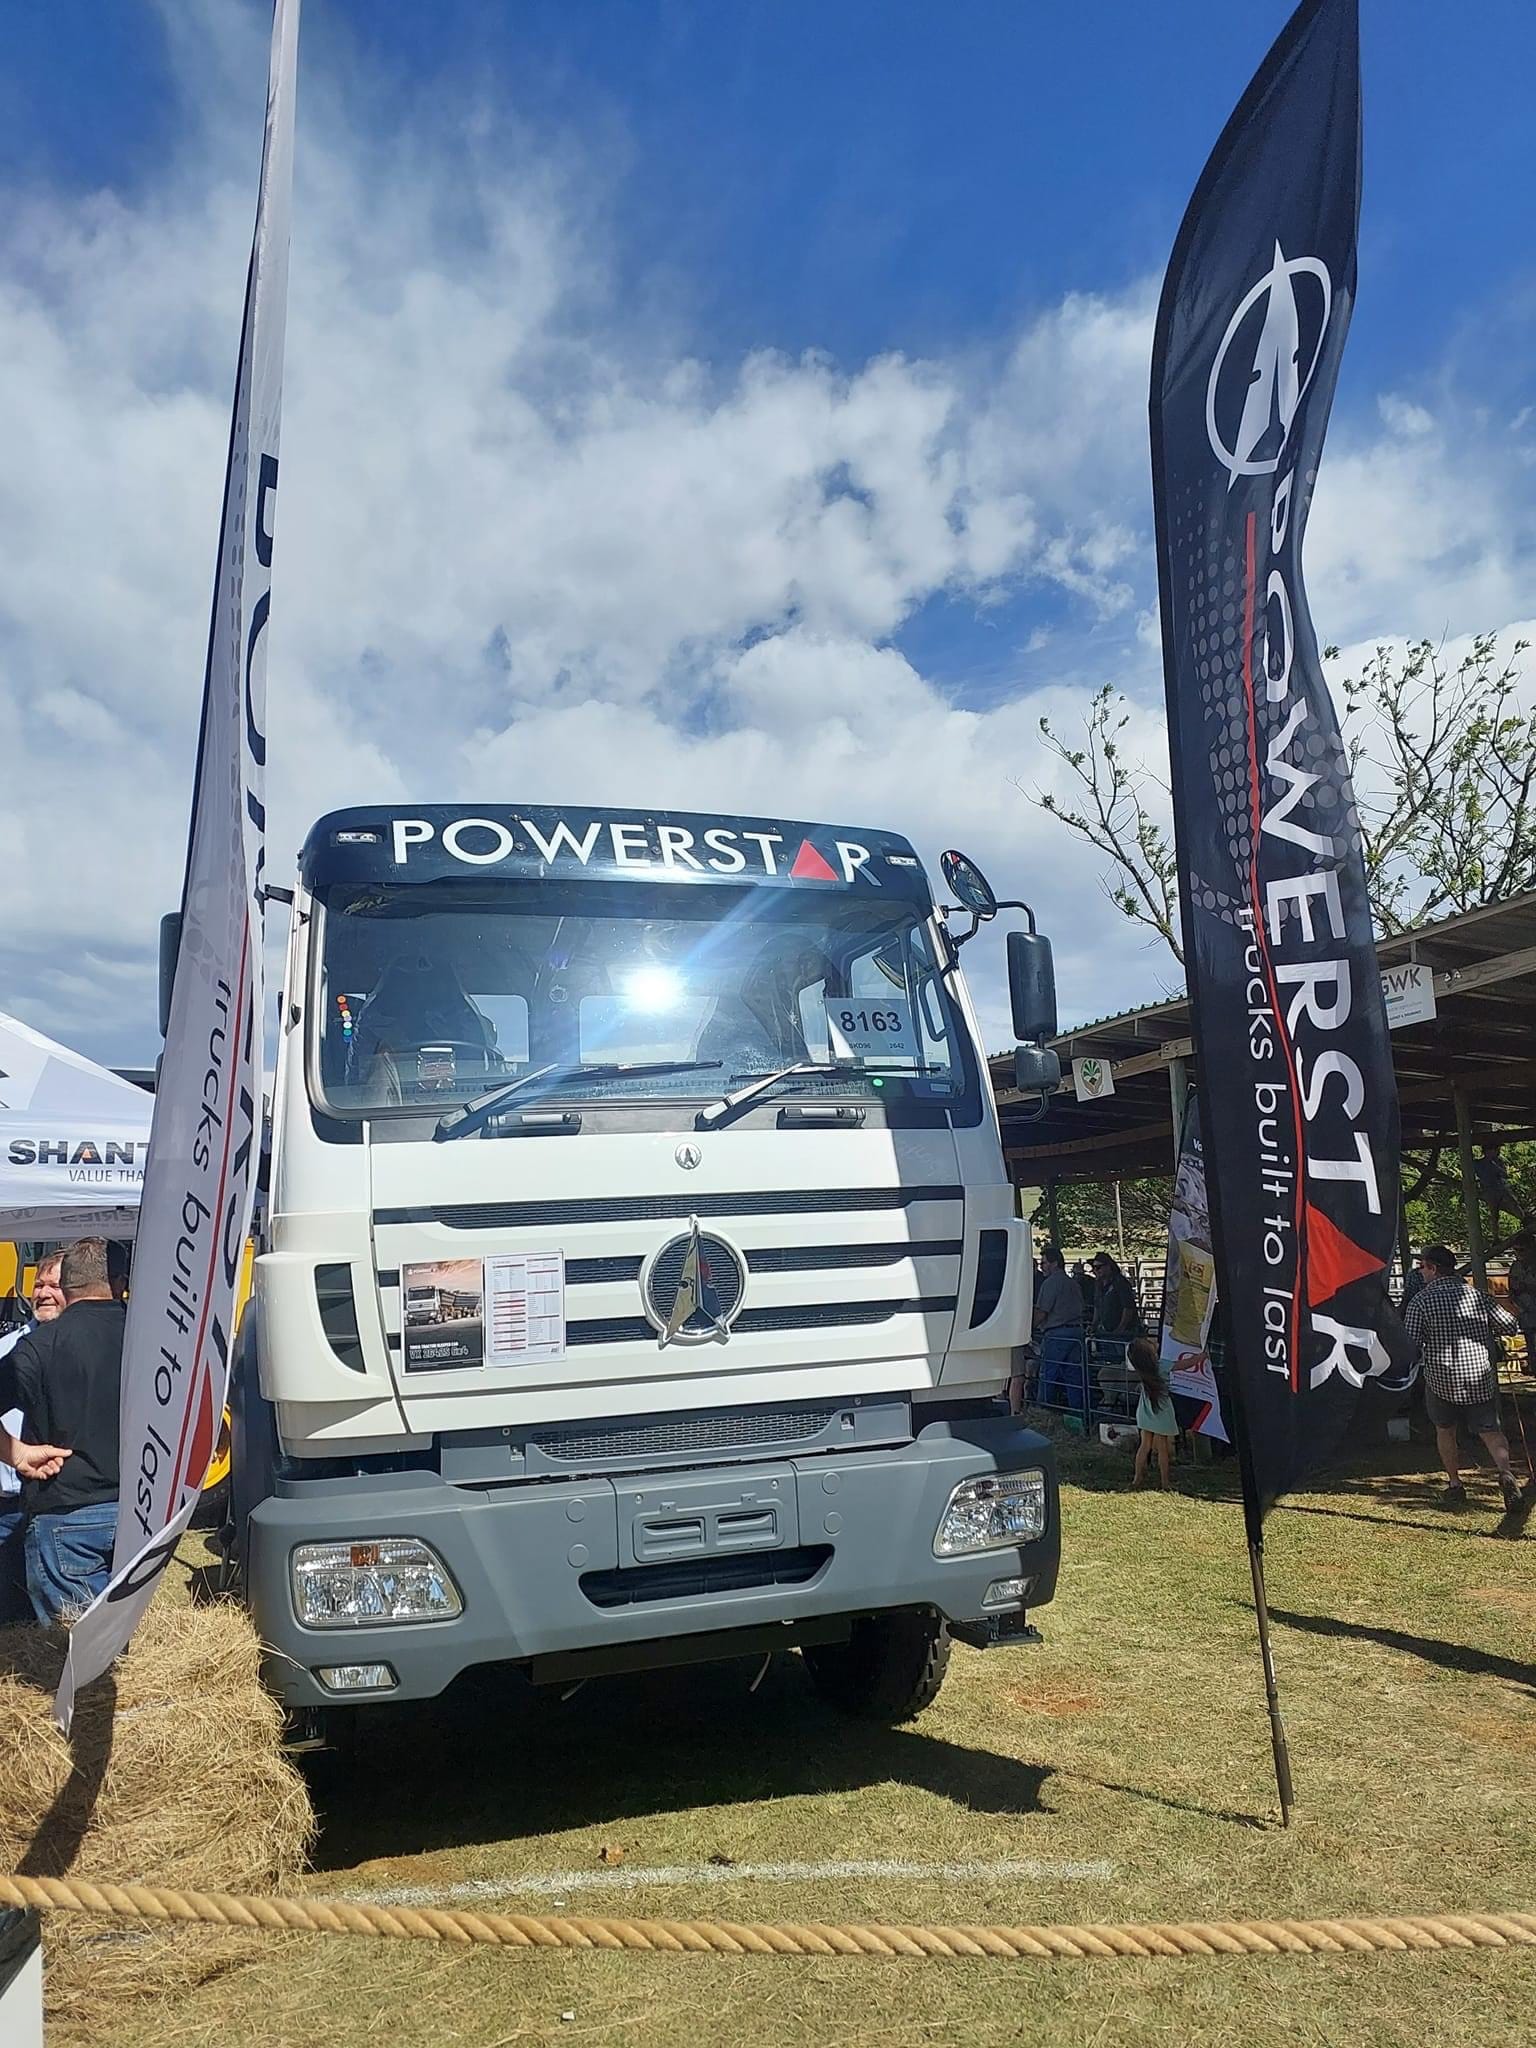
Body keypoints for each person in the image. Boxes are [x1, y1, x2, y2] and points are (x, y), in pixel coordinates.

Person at [0, 1238, 124, 1621]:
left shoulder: (39, 1345)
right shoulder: (157, 1339)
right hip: (142, 1511)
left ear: (66, 1286)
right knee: (117, 1639)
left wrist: (17, 1453)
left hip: (66, 1511)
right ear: (120, 1283)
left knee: (77, 1644)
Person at [1402, 1245, 1524, 1512]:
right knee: (1490, 1430)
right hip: (1478, 1374)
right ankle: (1506, 1473)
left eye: (1422, 1266)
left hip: (1441, 1377)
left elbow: (1411, 1343)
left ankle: (1455, 1484)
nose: (1421, 1272)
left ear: (1433, 1268)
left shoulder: (1420, 1301)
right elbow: (1509, 1325)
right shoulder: (1478, 1296)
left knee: (1445, 1430)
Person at [0, 1252, 66, 1623]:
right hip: (6, 1506)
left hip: (54, 1504)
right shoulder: (7, 1350)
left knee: (53, 1619)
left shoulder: (79, 1351)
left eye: (54, 1285)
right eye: (38, 1284)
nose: (43, 1293)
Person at [1031, 1244, 1086, 1411]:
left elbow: (1042, 1311)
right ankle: (1079, 1413)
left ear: (1054, 1263)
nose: (1042, 1267)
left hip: (1057, 1332)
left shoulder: (1050, 1283)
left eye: (1044, 1263)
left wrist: (1030, 1328)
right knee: (1074, 1376)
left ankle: (1042, 1412)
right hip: (1076, 1331)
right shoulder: (1073, 1283)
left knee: (1047, 1373)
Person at [1127, 1335, 1177, 1489]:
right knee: (1162, 1447)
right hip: (1161, 1410)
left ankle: (1137, 1479)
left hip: (1146, 1411)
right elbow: (1184, 1364)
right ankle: (1165, 1482)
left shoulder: (1143, 1370)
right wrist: (1200, 1357)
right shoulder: (1163, 1365)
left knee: (1145, 1445)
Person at [1506, 1231, 1536, 1377]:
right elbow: (1512, 1287)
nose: (1518, 1253)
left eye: (1522, 1250)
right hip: (1526, 1317)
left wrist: (1527, 1287)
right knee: (1533, 1354)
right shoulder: (1515, 1266)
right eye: (1516, 1250)